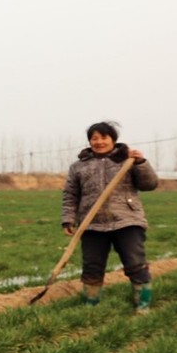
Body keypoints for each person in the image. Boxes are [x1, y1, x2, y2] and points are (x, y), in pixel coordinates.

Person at [61, 120, 158, 311]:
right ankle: (91, 303)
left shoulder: (127, 160)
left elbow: (149, 184)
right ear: (89, 142)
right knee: (92, 266)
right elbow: (70, 195)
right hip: (92, 223)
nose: (99, 142)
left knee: (135, 263)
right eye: (94, 138)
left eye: (103, 137)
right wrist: (68, 219)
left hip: (126, 220)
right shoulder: (79, 167)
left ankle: (143, 303)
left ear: (113, 139)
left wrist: (140, 164)